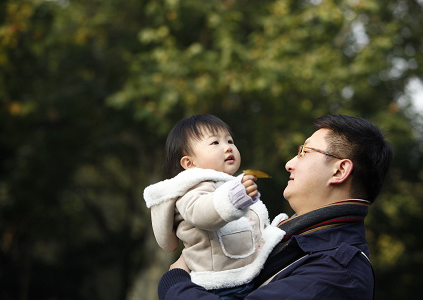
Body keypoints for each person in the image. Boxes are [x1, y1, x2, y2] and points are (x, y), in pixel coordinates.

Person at [157, 114, 394, 300]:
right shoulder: (299, 242)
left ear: (339, 171)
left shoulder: (338, 271)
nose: (289, 163)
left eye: (304, 152)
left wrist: (175, 283)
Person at [143, 114, 286, 299]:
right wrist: (232, 199)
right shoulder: (192, 187)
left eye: (230, 140)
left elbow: (249, 225)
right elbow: (201, 213)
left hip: (245, 277)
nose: (228, 147)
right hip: (218, 284)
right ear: (189, 163)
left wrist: (271, 233)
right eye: (215, 143)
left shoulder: (229, 185)